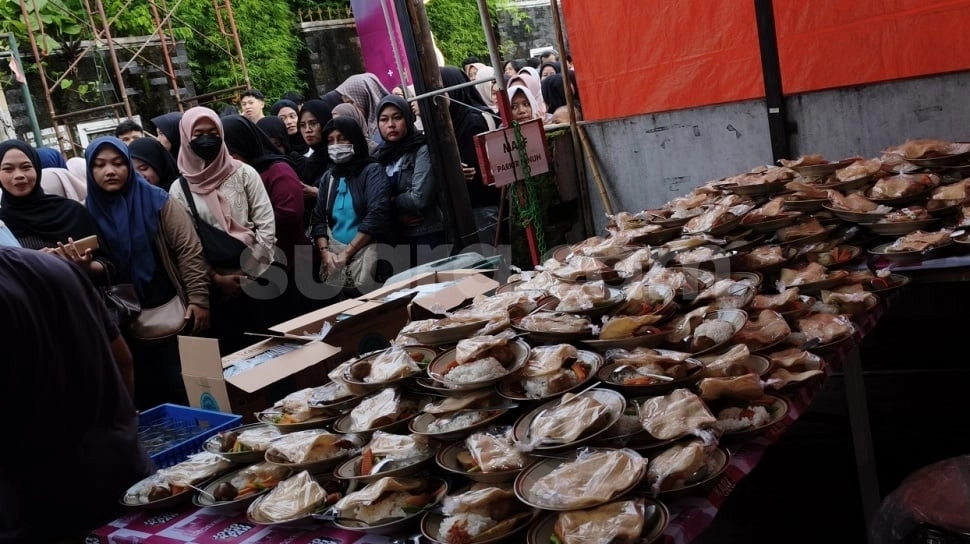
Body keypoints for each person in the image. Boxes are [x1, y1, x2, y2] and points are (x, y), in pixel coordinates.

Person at [0, 246, 152, 542]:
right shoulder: (50, 266)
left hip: (40, 511)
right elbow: (123, 359)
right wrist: (118, 423)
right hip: (123, 477)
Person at [84, 136, 210, 409]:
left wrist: (198, 298)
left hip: (174, 312)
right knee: (147, 395)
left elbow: (188, 250)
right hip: (124, 322)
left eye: (118, 163)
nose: (110, 171)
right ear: (89, 170)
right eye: (100, 165)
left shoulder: (157, 201)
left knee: (186, 389)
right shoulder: (87, 213)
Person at [168, 107, 277, 351]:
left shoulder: (244, 174)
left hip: (260, 277)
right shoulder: (179, 189)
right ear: (186, 138)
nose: (206, 139)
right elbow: (188, 244)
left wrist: (248, 272)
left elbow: (266, 227)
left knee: (271, 348)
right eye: (198, 134)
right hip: (217, 288)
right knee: (234, 354)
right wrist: (217, 279)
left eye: (212, 132)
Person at [0, 139, 112, 282]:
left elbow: (109, 265)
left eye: (26, 167)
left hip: (79, 299)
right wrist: (30, 262)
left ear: (37, 168)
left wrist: (86, 267)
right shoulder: (2, 225)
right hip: (26, 303)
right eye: (8, 169)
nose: (19, 175)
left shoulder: (71, 211)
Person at [308, 116, 390, 297]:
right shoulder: (329, 178)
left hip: (369, 258)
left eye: (342, 139)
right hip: (335, 260)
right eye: (330, 141)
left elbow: (376, 215)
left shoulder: (372, 171)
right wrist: (325, 254)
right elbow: (319, 218)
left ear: (355, 139)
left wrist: (347, 253)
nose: (336, 145)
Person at [221, 114, 305, 268]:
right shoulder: (239, 174)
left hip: (292, 261)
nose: (228, 158)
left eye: (231, 152)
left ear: (243, 144)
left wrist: (249, 230)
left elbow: (290, 214)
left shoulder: (278, 171)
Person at [376, 95, 446, 266]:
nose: (391, 125)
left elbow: (419, 199)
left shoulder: (421, 149)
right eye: (384, 119)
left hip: (426, 234)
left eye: (397, 118)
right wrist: (395, 215)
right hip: (397, 237)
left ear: (408, 118)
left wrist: (390, 201)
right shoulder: (379, 156)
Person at [439, 66, 505, 246]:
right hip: (476, 206)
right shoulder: (456, 119)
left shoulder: (472, 119)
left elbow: (471, 170)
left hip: (483, 205)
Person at [335, 72, 390, 142]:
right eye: (344, 104)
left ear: (366, 98)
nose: (348, 108)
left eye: (350, 103)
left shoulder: (386, 134)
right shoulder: (364, 132)